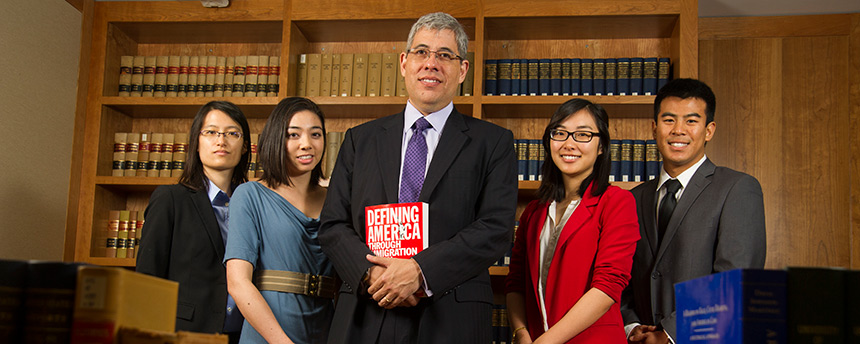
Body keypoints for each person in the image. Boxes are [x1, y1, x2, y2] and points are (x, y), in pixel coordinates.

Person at [318, 12, 518, 343]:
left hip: (451, 316)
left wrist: (419, 271)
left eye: (445, 55)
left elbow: (495, 230)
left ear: (462, 70)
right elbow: (333, 225)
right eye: (421, 52)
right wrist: (374, 275)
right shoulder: (360, 140)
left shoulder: (493, 143)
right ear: (403, 62)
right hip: (367, 311)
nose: (431, 63)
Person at [620, 78, 766, 344]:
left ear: (709, 130)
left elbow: (735, 280)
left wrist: (670, 333)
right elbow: (622, 277)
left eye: (691, 121)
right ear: (654, 129)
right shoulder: (633, 198)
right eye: (668, 120)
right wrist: (631, 325)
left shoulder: (737, 188)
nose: (678, 130)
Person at [505, 99, 639, 344]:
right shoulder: (534, 211)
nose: (569, 143)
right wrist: (521, 333)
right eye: (560, 133)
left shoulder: (617, 202)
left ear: (601, 147)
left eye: (583, 134)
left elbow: (608, 286)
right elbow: (515, 283)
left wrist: (546, 342)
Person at [137, 100, 251, 343]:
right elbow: (147, 280)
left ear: (244, 147)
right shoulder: (171, 199)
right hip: (186, 333)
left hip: (245, 333)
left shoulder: (253, 206)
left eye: (233, 133)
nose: (221, 140)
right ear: (196, 143)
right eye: (210, 132)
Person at [224, 97, 334, 344]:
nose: (306, 144)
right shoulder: (250, 195)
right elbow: (238, 283)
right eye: (293, 135)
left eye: (315, 134)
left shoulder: (337, 200)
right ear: (276, 139)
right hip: (268, 334)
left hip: (326, 329)